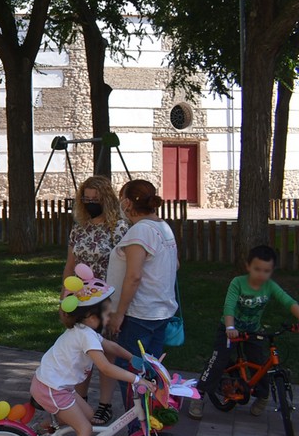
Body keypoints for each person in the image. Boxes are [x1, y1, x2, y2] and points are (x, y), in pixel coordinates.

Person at [31, 278, 147, 436]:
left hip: (54, 386)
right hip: (52, 389)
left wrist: (135, 358)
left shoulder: (86, 331)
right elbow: (105, 367)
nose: (109, 317)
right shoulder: (85, 336)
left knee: (88, 414)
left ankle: (44, 430)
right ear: (93, 317)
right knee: (84, 429)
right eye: (107, 314)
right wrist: (138, 380)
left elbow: (110, 346)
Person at [190, 245, 299, 420]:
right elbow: (229, 306)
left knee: (261, 362)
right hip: (229, 329)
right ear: (248, 266)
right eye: (257, 269)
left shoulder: (270, 286)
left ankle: (262, 396)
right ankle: (199, 393)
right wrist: (230, 327)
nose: (261, 274)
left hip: (252, 330)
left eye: (266, 271)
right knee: (219, 360)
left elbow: (288, 302)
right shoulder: (238, 283)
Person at [63, 176, 129, 426]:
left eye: (95, 199)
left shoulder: (119, 228)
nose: (90, 203)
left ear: (106, 200)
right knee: (80, 351)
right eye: (86, 199)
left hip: (106, 300)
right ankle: (80, 400)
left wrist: (117, 308)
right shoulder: (79, 228)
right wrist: (64, 296)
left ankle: (104, 405)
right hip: (80, 299)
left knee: (105, 353)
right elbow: (70, 265)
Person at [105, 179, 179, 385]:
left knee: (132, 377)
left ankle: (137, 417)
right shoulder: (163, 227)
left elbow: (134, 276)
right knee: (151, 374)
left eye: (121, 200)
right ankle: (150, 415)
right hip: (160, 312)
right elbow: (176, 264)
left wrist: (119, 314)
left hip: (139, 314)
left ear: (128, 203)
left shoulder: (140, 231)